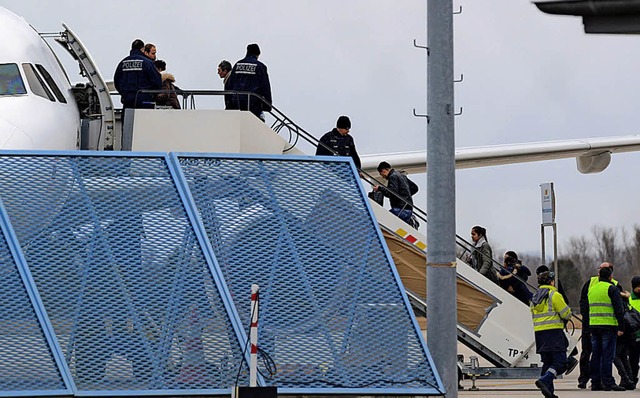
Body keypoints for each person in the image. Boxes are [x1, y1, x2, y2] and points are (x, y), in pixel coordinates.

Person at [577, 262, 626, 389]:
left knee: (596, 355)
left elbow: (585, 305)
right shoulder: (612, 288)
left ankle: (595, 382)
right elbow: (619, 309)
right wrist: (621, 326)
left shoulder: (592, 288)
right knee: (607, 355)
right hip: (608, 326)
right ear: (610, 276)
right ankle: (608, 381)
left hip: (594, 326)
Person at [530, 271, 572, 398]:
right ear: (551, 281)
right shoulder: (554, 294)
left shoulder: (535, 297)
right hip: (554, 333)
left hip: (540, 334)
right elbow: (566, 313)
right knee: (560, 363)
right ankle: (545, 380)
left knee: (548, 363)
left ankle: (549, 392)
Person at [226, 43, 272, 120]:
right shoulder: (260, 67)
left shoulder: (237, 65)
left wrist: (228, 105)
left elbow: (229, 85)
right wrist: (267, 105)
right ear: (258, 54)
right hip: (253, 105)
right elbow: (265, 87)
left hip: (236, 104)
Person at [113, 39, 162, 110]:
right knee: (145, 120)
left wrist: (124, 94)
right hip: (145, 100)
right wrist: (152, 95)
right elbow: (157, 82)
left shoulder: (122, 63)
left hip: (127, 100)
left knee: (128, 120)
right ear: (142, 49)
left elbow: (116, 81)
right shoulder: (147, 63)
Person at [372, 161, 416, 226]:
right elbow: (415, 188)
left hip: (400, 209)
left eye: (381, 174)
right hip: (408, 208)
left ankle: (412, 222)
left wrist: (380, 188)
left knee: (383, 222)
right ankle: (411, 221)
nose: (382, 177)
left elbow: (391, 193)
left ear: (384, 170)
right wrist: (405, 196)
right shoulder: (401, 176)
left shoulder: (392, 177)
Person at [628, 276, 640, 389]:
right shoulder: (629, 299)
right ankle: (632, 380)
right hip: (634, 335)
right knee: (633, 361)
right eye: (638, 287)